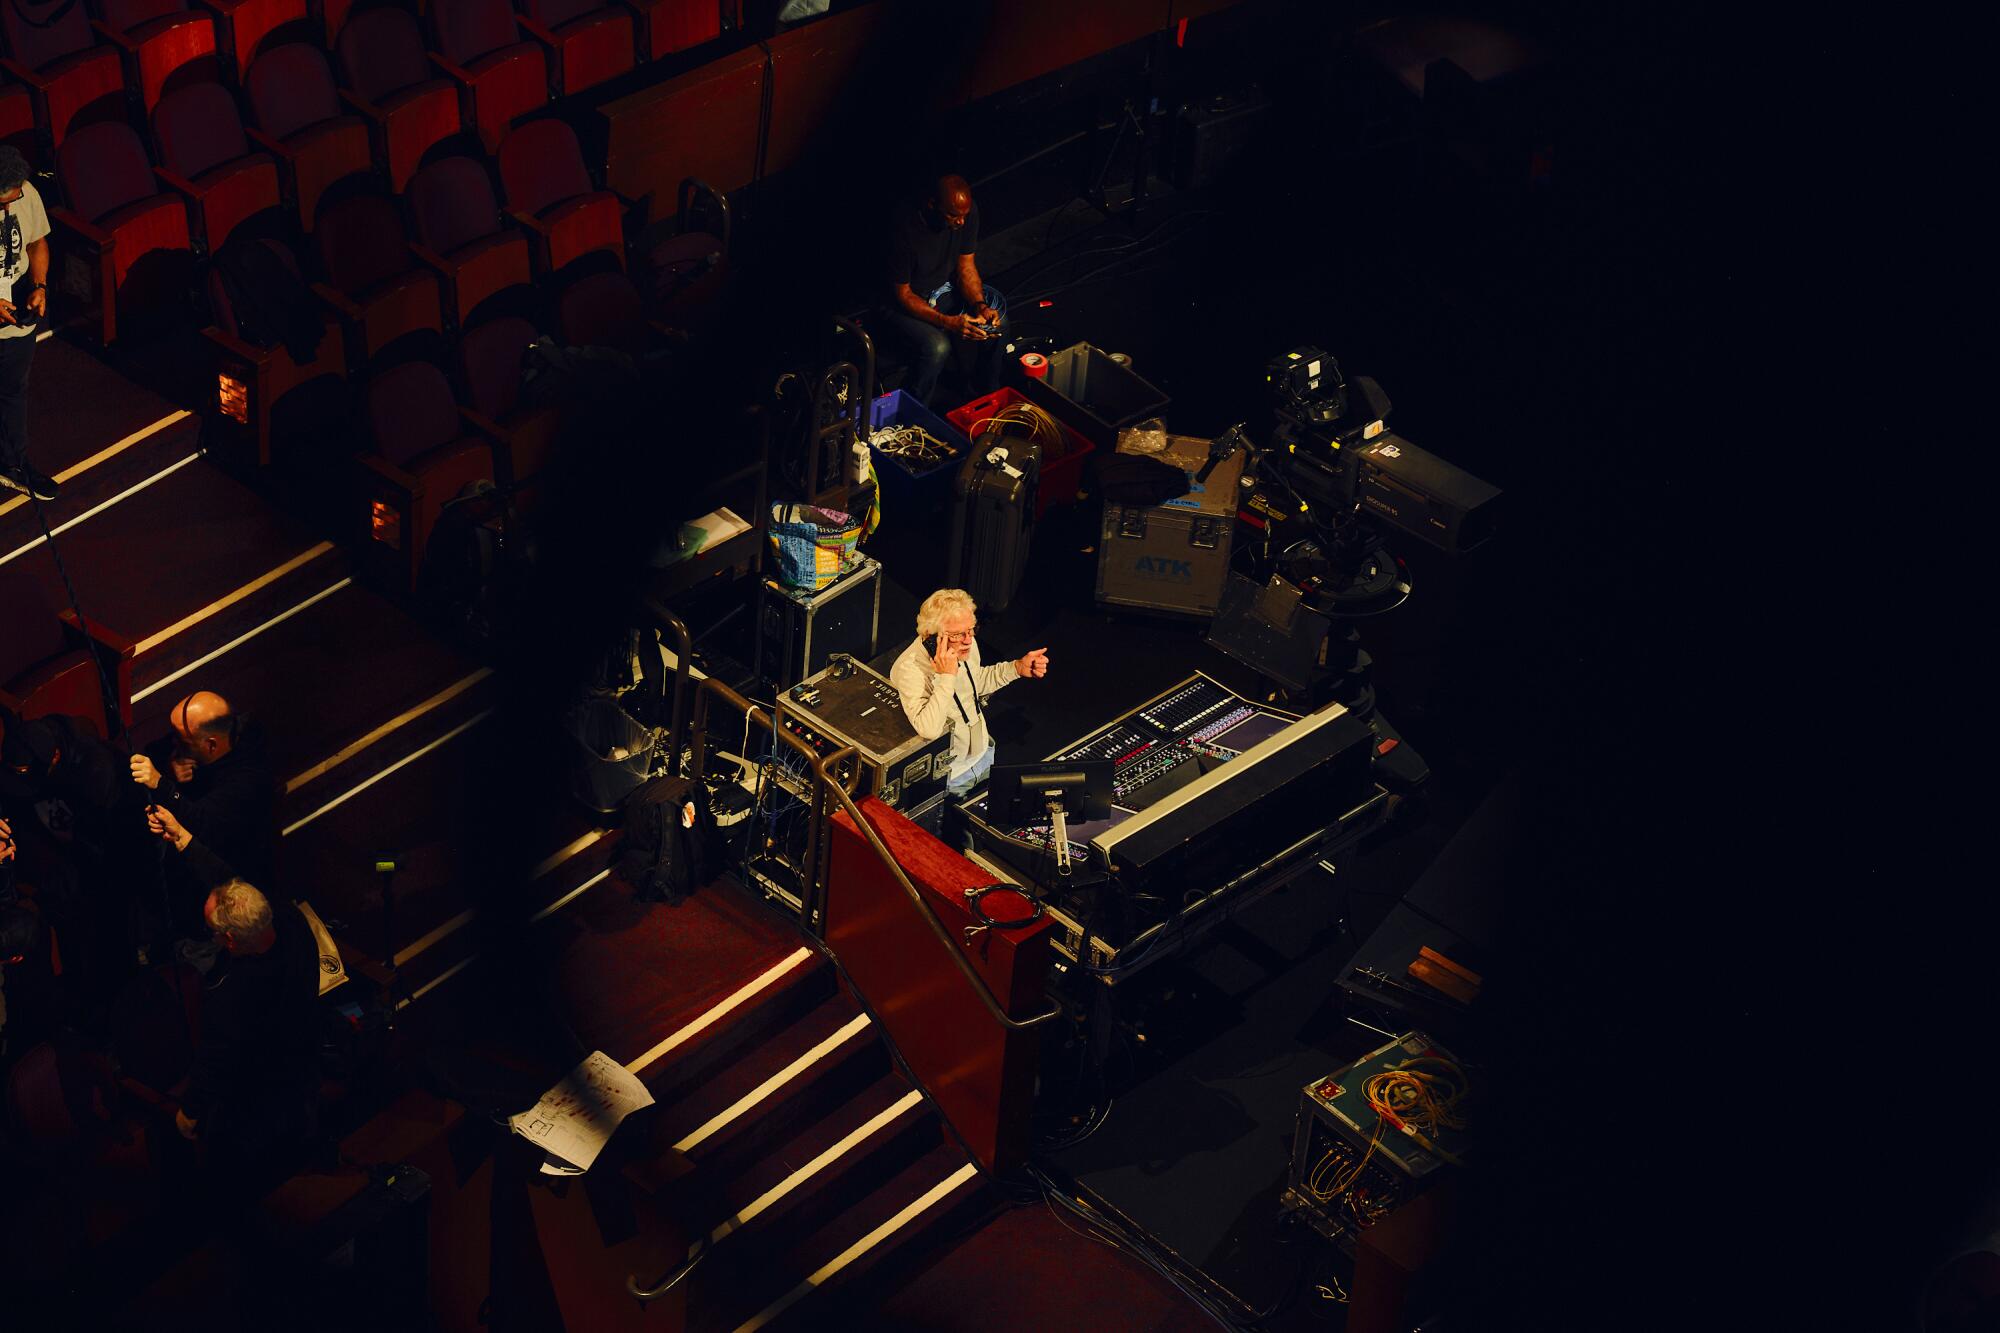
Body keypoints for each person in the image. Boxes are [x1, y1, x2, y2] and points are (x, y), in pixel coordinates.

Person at [147, 803, 319, 1187]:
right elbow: (228, 882)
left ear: (228, 940)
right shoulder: (286, 920)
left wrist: (189, 1111)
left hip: (260, 1089)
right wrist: (181, 837)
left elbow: (216, 1057)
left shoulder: (236, 992)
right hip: (302, 1063)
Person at [889, 588, 1049, 798]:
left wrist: (1016, 668)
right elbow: (928, 728)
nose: (968, 640)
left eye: (972, 630)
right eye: (957, 635)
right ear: (930, 636)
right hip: (952, 775)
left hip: (984, 752)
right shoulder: (909, 670)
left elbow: (974, 683)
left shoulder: (967, 643)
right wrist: (946, 676)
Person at [129, 691, 276, 897]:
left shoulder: (249, 780)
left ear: (211, 745)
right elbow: (155, 750)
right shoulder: (202, 736)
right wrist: (169, 768)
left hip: (223, 876)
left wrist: (162, 784)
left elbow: (202, 824)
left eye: (183, 742)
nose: (175, 744)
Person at [879, 174, 1008, 406]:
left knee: (999, 321)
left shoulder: (966, 215)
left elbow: (966, 266)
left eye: (964, 216)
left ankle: (986, 397)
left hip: (942, 291)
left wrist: (980, 304)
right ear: (932, 205)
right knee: (937, 347)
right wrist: (948, 322)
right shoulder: (903, 230)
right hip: (901, 303)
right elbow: (903, 295)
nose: (960, 223)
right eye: (953, 216)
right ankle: (913, 414)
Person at [0, 144, 55, 501]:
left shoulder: (24, 192)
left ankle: (11, 464)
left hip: (14, 322)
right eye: (3, 200)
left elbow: (36, 242)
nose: (11, 205)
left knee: (13, 393)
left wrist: (39, 285)